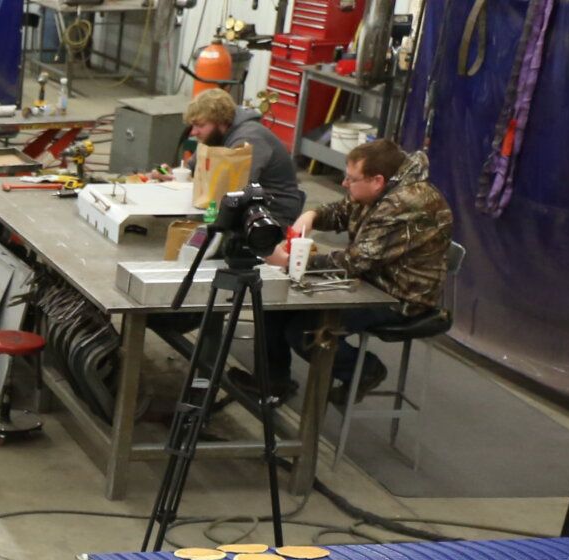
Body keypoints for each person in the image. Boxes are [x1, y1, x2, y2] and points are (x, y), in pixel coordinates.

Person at [259, 137, 454, 402]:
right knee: (275, 307)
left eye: (351, 179)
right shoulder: (385, 188)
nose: (344, 184)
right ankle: (274, 385)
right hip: (372, 280)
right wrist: (313, 216)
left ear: (377, 180)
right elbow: (343, 210)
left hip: (400, 295)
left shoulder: (405, 204)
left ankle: (364, 370)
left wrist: (291, 262)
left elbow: (356, 261)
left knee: (305, 331)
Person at [184, 88, 304, 231]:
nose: (193, 132)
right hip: (249, 204)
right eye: (193, 125)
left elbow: (237, 189)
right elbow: (190, 167)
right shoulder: (214, 135)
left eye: (200, 125)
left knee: (203, 232)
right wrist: (169, 174)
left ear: (220, 121)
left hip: (275, 213)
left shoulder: (249, 139)